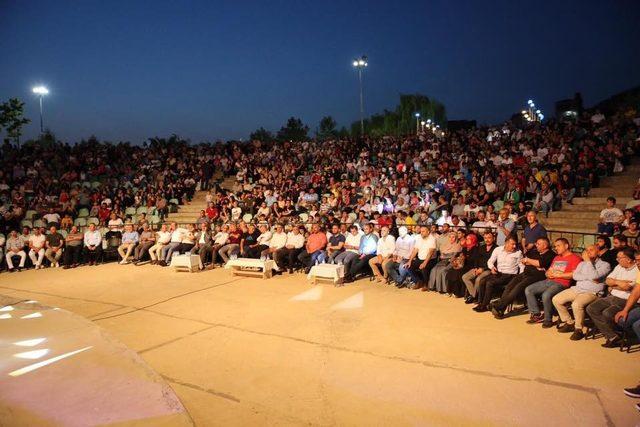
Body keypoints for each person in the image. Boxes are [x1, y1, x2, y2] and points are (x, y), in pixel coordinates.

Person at [552, 245, 611, 339]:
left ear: (599, 252)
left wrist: (588, 263)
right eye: (587, 250)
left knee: (576, 304)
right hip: (577, 289)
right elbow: (575, 276)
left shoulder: (605, 265)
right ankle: (569, 322)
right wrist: (590, 277)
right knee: (556, 299)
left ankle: (578, 329)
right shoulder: (582, 264)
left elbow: (594, 276)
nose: (588, 252)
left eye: (591, 250)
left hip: (592, 292)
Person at [490, 237, 555, 319]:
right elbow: (524, 261)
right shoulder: (535, 251)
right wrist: (532, 262)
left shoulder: (550, 254)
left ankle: (498, 306)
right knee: (509, 286)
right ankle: (501, 310)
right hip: (525, 272)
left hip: (536, 276)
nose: (536, 245)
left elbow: (540, 263)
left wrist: (531, 262)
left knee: (517, 288)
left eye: (538, 244)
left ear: (545, 245)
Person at [524, 238, 582, 327]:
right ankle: (536, 314)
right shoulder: (557, 257)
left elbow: (574, 274)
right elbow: (548, 271)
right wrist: (548, 274)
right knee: (529, 289)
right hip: (549, 280)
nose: (556, 248)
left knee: (546, 295)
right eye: (555, 246)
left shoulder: (575, 258)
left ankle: (548, 319)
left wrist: (559, 275)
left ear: (566, 246)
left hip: (562, 283)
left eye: (558, 246)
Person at [586, 248, 638, 346]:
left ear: (628, 259)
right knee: (591, 308)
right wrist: (618, 283)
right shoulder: (619, 266)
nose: (617, 260)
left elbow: (627, 287)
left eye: (619, 258)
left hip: (625, 299)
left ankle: (617, 334)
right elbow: (607, 280)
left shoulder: (637, 270)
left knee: (607, 313)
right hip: (612, 296)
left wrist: (613, 285)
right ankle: (612, 336)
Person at [474, 237, 523, 313]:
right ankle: (480, 302)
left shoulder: (518, 252)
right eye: (512, 244)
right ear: (506, 243)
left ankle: (484, 305)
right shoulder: (498, 250)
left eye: (515, 244)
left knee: (490, 283)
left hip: (510, 275)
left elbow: (522, 266)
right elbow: (490, 261)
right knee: (482, 280)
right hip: (498, 273)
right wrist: (492, 268)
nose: (514, 246)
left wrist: (519, 277)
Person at [462, 231, 497, 304]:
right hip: (478, 268)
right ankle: (474, 295)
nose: (487, 240)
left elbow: (495, 262)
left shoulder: (496, 248)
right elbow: (476, 258)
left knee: (478, 279)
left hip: (489, 269)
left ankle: (473, 297)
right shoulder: (481, 247)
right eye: (485, 238)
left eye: (489, 238)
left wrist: (483, 269)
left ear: (493, 238)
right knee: (465, 277)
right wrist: (476, 267)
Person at [445, 233, 478, 297]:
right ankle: (449, 291)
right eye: (467, 239)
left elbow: (474, 259)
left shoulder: (476, 249)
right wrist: (458, 258)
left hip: (470, 266)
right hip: (463, 265)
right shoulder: (465, 248)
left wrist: (465, 258)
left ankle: (457, 293)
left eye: (469, 239)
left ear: (473, 240)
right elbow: (460, 255)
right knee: (451, 271)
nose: (467, 240)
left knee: (457, 273)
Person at [406, 225, 437, 290]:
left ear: (428, 232)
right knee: (409, 266)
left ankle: (426, 284)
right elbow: (415, 250)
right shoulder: (419, 238)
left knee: (424, 268)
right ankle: (418, 281)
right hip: (420, 258)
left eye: (423, 231)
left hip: (430, 260)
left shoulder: (432, 239)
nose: (421, 233)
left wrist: (425, 263)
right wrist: (409, 261)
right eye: (421, 231)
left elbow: (430, 253)